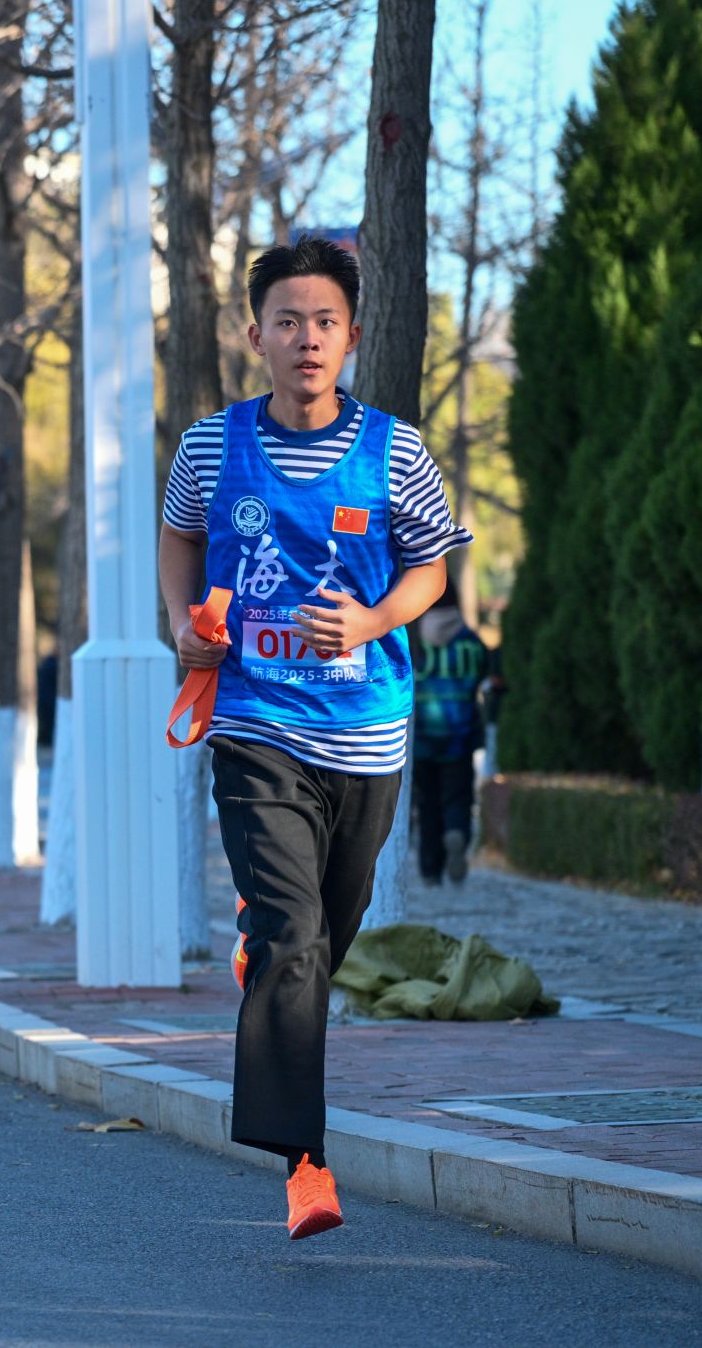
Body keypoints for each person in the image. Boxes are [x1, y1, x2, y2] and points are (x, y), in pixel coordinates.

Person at [158, 238, 470, 1240]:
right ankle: (305, 1163)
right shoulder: (213, 446)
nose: (306, 338)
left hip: (366, 733)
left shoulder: (395, 450)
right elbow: (180, 531)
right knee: (293, 940)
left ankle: (266, 953)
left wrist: (371, 620)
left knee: (320, 940)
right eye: (286, 320)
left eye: (324, 321)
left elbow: (431, 567)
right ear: (254, 334)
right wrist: (184, 622)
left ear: (351, 336)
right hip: (255, 722)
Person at [413, 588, 489, 886]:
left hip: (422, 737)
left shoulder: (416, 642)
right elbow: (483, 676)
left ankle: (430, 870)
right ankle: (456, 831)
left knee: (427, 803)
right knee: (457, 796)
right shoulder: (470, 642)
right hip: (460, 735)